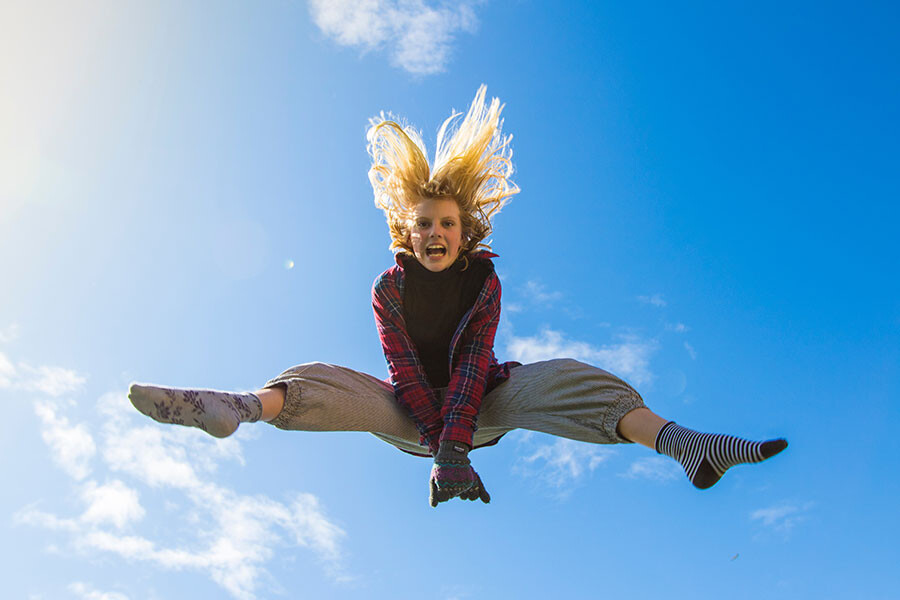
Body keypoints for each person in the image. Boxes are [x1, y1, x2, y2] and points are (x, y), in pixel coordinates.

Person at [128, 86, 787, 507]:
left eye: (447, 224)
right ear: (404, 233)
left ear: (464, 230)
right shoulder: (389, 290)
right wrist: (437, 445)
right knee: (327, 379)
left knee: (563, 377)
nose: (436, 233)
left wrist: (457, 452)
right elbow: (405, 371)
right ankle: (239, 405)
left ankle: (685, 445)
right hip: (411, 415)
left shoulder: (483, 283)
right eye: (424, 225)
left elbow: (474, 367)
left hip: (482, 411)